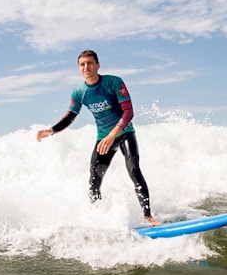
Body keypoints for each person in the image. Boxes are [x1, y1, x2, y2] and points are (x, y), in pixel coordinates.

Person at [37, 50, 161, 226]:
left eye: (89, 63)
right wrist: (51, 131)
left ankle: (148, 216)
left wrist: (113, 135)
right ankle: (97, 219)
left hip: (124, 133)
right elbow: (70, 116)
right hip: (103, 138)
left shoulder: (113, 82)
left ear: (97, 65)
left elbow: (128, 112)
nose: (86, 67)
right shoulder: (80, 92)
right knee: (94, 178)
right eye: (82, 64)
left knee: (133, 169)